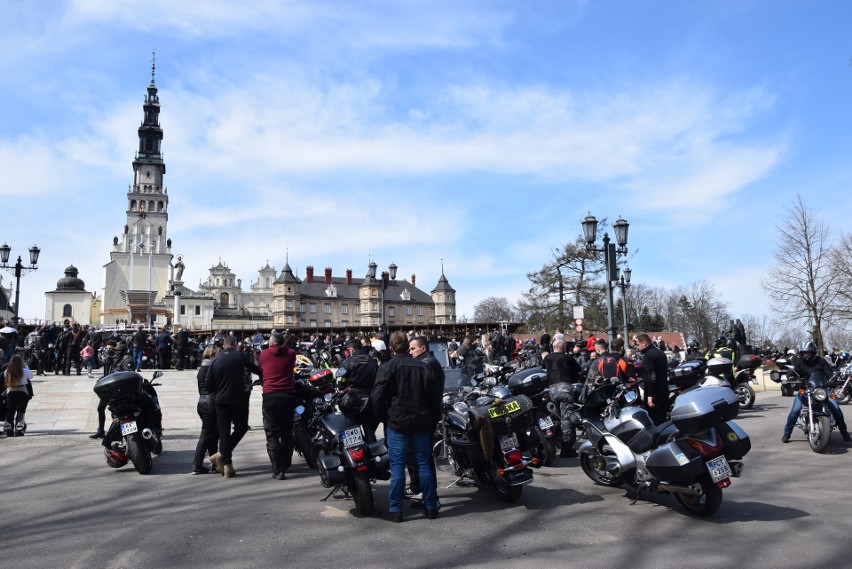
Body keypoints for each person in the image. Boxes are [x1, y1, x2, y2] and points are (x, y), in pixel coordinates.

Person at [371, 333, 441, 522]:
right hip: (420, 421)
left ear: (392, 349)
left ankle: (396, 510)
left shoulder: (387, 367)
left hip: (398, 421)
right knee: (424, 464)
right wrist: (432, 421)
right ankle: (431, 506)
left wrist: (383, 418)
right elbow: (435, 400)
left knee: (398, 467)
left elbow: (376, 397)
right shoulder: (423, 367)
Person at [207, 335, 263, 478]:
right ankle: (223, 456)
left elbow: (208, 385)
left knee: (224, 432)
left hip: (220, 401)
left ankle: (227, 464)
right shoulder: (240, 356)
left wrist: (215, 396)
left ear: (224, 345)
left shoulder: (215, 360)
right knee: (242, 427)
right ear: (234, 343)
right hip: (238, 399)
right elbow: (255, 369)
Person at [782, 341, 850, 443]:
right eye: (805, 353)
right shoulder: (798, 361)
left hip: (821, 390)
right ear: (801, 353)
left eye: (809, 352)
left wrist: (833, 379)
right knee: (795, 411)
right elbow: (793, 371)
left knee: (836, 409)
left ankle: (844, 432)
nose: (807, 355)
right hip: (804, 390)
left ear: (813, 352)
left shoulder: (821, 361)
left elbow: (829, 373)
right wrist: (791, 376)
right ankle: (787, 433)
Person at [407, 336, 445, 505]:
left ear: (422, 348)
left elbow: (420, 390)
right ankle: (423, 490)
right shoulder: (429, 361)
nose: (410, 352)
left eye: (413, 348)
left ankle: (429, 495)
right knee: (422, 456)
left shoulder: (427, 364)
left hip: (427, 415)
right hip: (428, 413)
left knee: (424, 457)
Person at [257, 331, 297, 479]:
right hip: (287, 395)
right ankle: (286, 463)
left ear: (271, 343)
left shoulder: (264, 354)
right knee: (287, 432)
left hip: (270, 396)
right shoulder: (291, 353)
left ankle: (278, 469)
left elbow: (261, 370)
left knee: (272, 434)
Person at [543, 338, 582, 458]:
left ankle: (554, 442)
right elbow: (578, 370)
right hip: (565, 388)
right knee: (566, 418)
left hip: (551, 390)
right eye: (565, 347)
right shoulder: (567, 357)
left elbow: (544, 370)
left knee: (556, 417)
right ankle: (566, 449)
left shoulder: (547, 358)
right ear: (561, 347)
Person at [337, 338, 379, 443]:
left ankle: (356, 457)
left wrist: (341, 389)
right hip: (371, 399)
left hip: (353, 399)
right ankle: (374, 456)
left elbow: (339, 377)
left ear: (351, 349)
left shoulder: (348, 362)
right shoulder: (372, 361)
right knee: (370, 431)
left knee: (352, 432)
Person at [191, 345, 220, 474]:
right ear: (212, 355)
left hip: (202, 402)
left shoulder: (202, 368)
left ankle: (215, 464)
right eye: (217, 355)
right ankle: (197, 465)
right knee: (206, 435)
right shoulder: (212, 368)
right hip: (210, 403)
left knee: (212, 435)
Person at [637, 333, 669, 425]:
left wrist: (650, 395)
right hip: (664, 390)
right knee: (663, 420)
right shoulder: (661, 353)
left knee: (654, 422)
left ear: (645, 343)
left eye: (639, 344)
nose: (638, 347)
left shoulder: (647, 356)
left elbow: (651, 376)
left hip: (654, 393)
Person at [4, 354, 33, 436]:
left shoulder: (7, 371)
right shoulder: (24, 370)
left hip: (11, 392)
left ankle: (8, 428)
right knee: (21, 411)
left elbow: (5, 379)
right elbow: (31, 376)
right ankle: (19, 428)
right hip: (22, 392)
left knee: (10, 411)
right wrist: (26, 366)